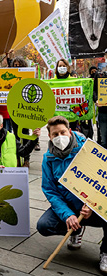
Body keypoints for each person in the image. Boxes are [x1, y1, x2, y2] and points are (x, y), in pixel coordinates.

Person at [37, 116, 107, 274]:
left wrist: (93, 204)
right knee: (44, 225)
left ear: (70, 131)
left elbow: (102, 182)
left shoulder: (88, 150)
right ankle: (76, 229)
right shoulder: (48, 159)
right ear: (49, 136)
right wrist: (67, 214)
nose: (60, 136)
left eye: (63, 132)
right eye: (55, 134)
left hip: (92, 207)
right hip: (68, 207)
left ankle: (106, 252)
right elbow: (50, 190)